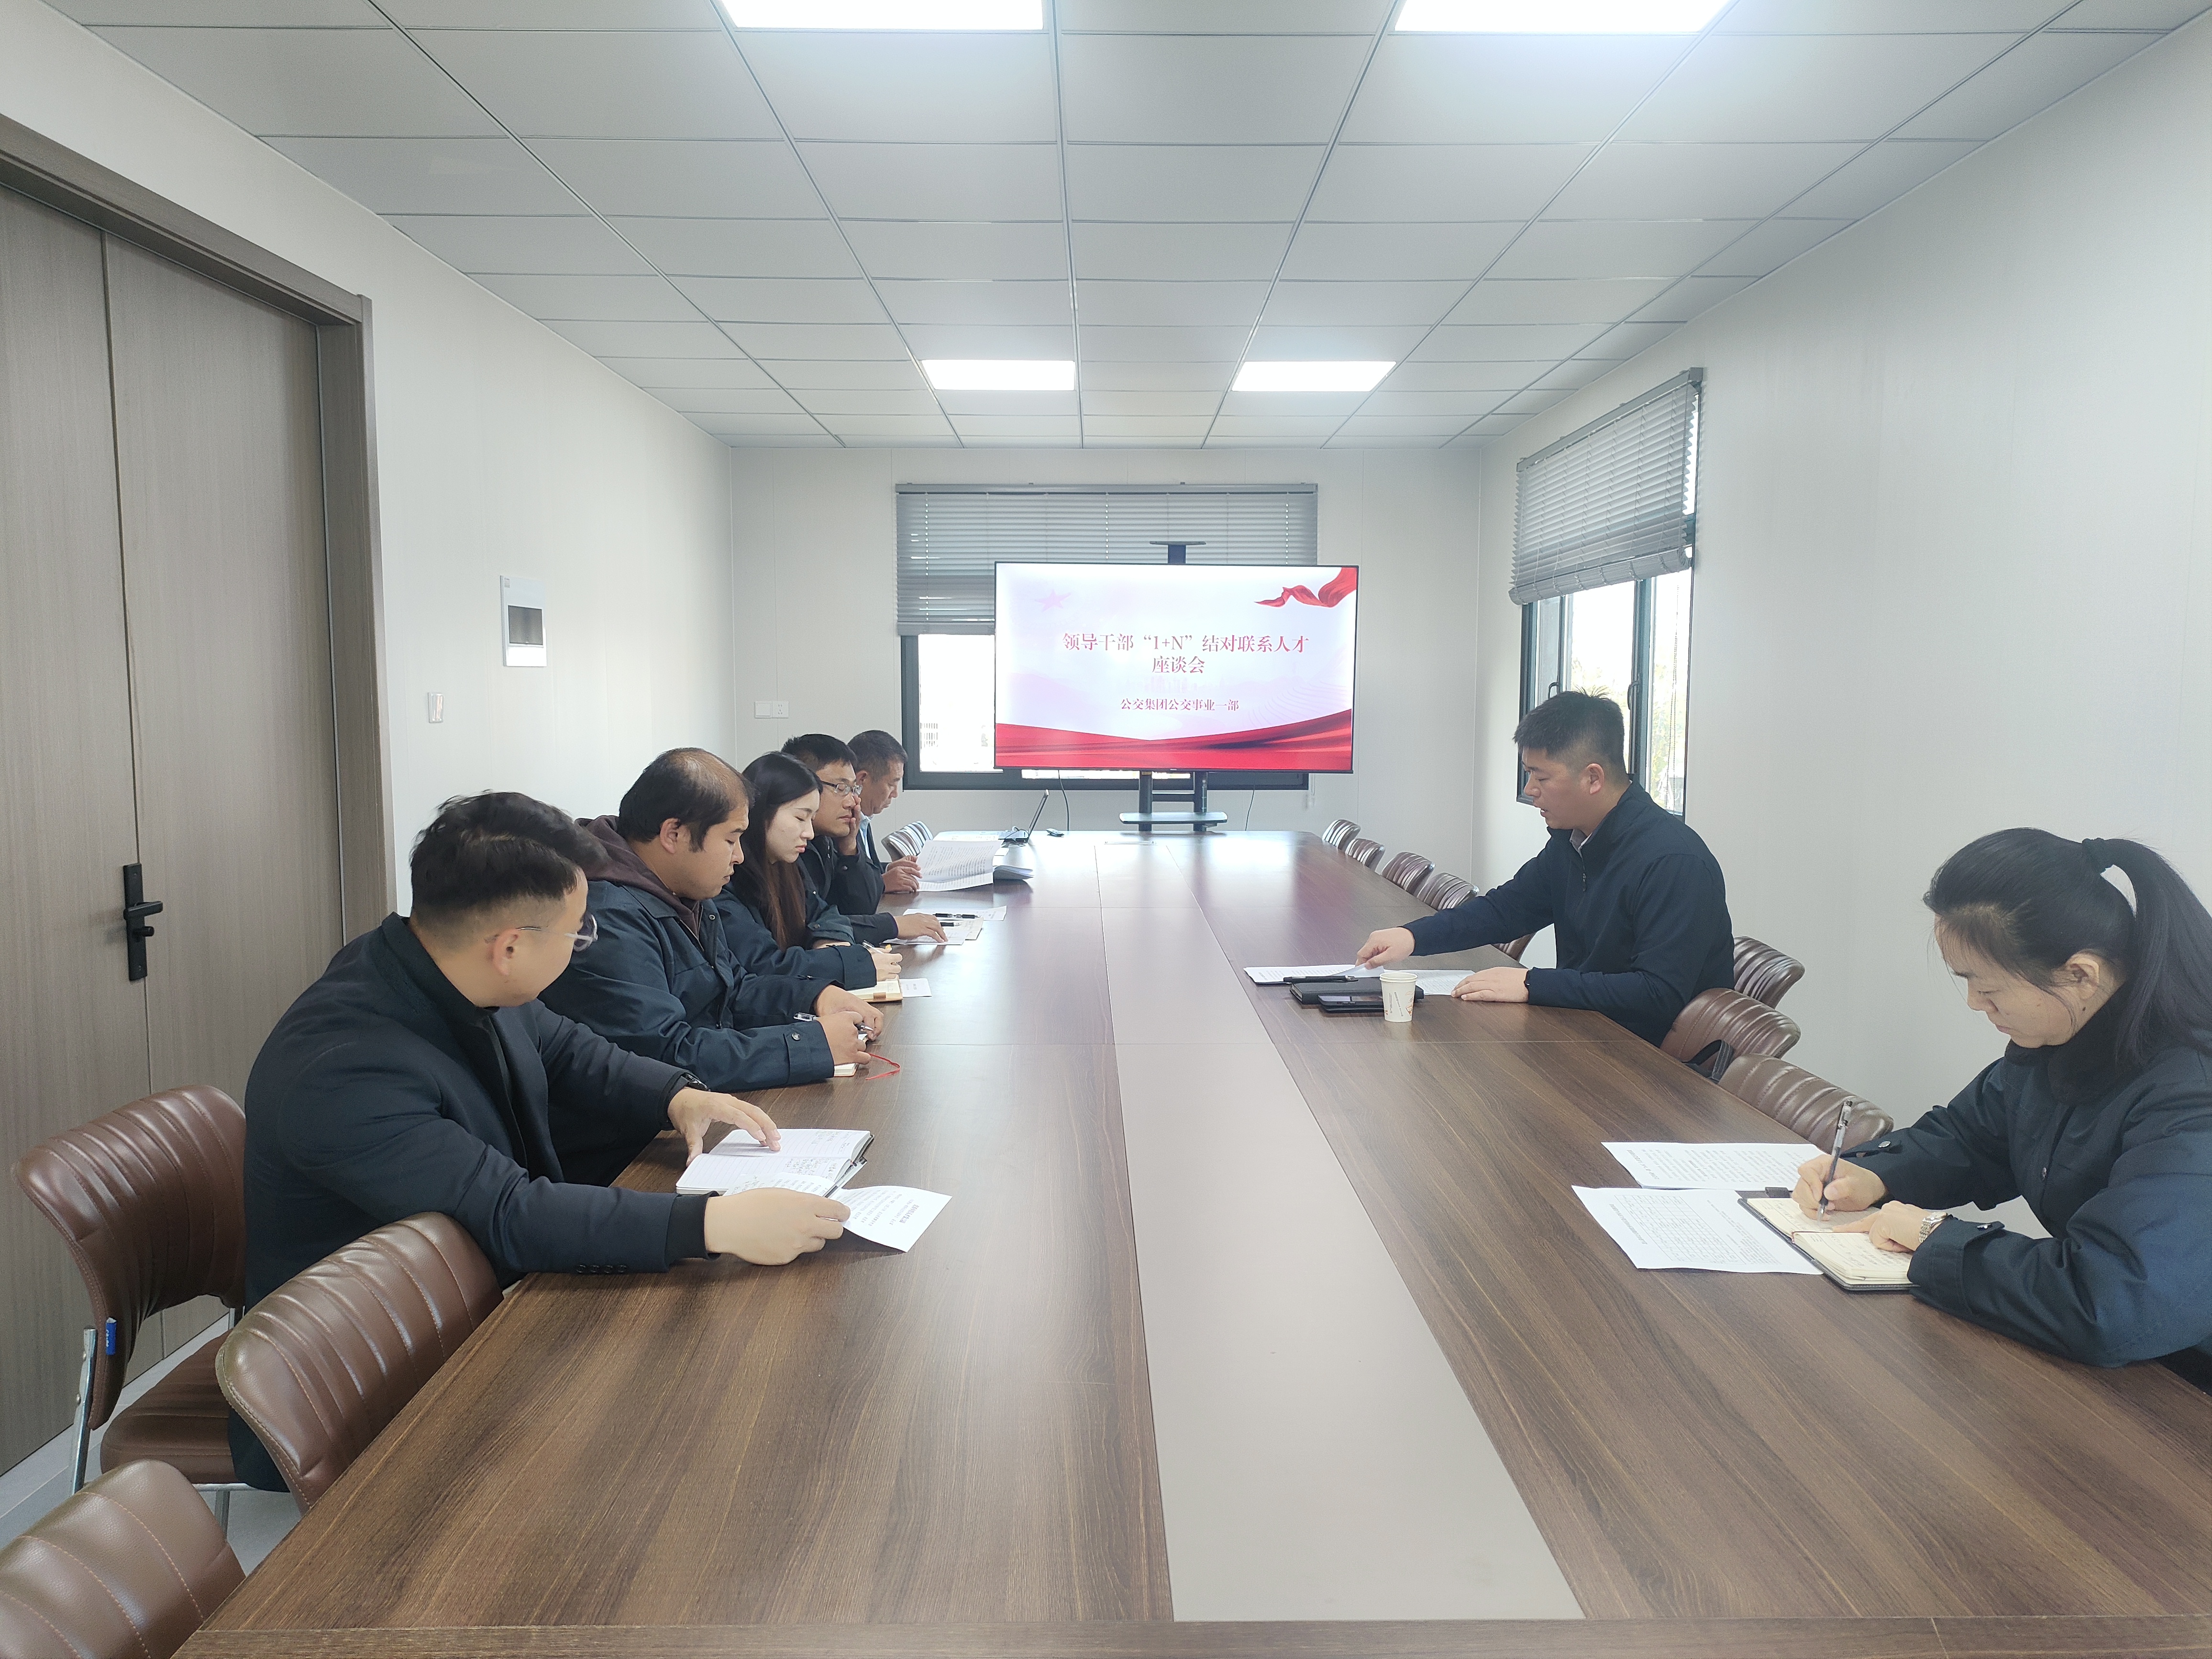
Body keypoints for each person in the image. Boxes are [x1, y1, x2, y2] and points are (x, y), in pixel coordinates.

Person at [236, 792, 849, 1489]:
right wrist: (716, 1224)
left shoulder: (446, 966)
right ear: (510, 948)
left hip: (485, 1311)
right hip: (366, 1374)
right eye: (576, 934)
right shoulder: (345, 1070)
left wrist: (675, 1094)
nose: (584, 945)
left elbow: (563, 1047)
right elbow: (511, 1212)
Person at [1795, 831, 2212, 1379]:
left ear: (2080, 974)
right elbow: (1971, 1137)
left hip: (2181, 1389)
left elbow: (2114, 1300)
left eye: (1986, 988)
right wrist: (1872, 1175)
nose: (1974, 1004)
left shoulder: (2190, 1094)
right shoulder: (2058, 1041)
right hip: (2118, 1364)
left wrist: (1935, 1238)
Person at [536, 749, 876, 1179]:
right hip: (632, 1155)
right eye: (731, 840)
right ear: (674, 834)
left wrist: (816, 996)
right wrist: (808, 1044)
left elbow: (734, 987)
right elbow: (665, 1054)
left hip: (694, 1117)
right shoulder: (609, 914)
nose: (740, 856)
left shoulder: (685, 888)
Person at [1355, 690, 1733, 1046]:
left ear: (1593, 778)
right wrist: (1413, 937)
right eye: (1528, 774)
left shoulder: (1674, 862)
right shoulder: (1573, 841)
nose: (1530, 789)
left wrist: (1532, 984)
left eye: (1542, 777)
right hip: (1579, 1033)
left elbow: (1657, 994)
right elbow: (1505, 910)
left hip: (1646, 1062)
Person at [780, 733, 945, 946]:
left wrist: (850, 847)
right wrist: (892, 925)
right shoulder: (789, 850)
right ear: (804, 785)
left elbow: (861, 908)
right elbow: (813, 929)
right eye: (841, 789)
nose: (852, 801)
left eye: (853, 789)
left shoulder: (825, 840)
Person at [850, 728, 921, 896]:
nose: (895, 794)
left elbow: (865, 869)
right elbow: (843, 888)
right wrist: (881, 883)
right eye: (891, 784)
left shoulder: (864, 818)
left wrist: (889, 869)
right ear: (862, 779)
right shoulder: (841, 825)